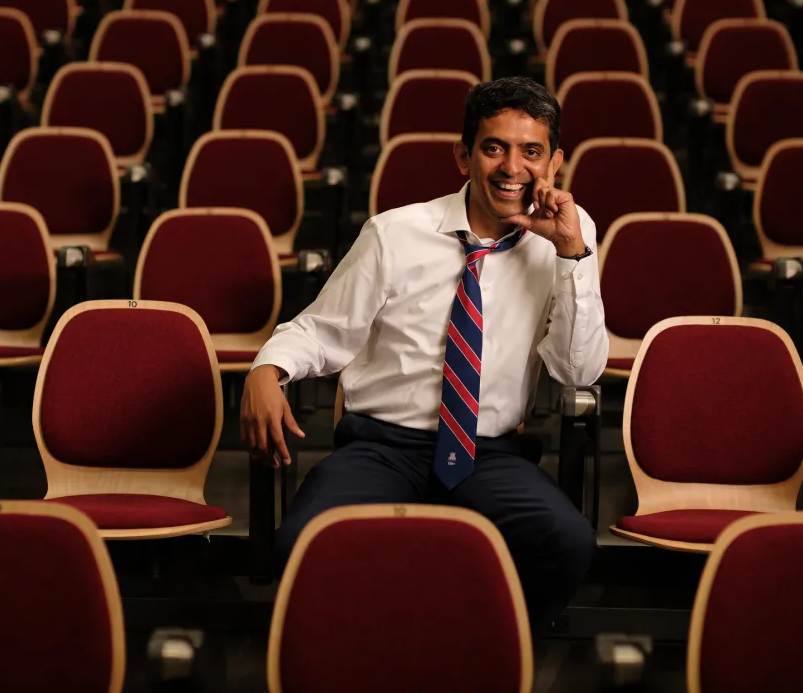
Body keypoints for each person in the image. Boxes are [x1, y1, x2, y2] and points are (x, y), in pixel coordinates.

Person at [240, 76, 608, 630]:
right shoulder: (395, 233)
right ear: (463, 156)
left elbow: (578, 370)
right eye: (494, 147)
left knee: (566, 540)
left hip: (491, 454)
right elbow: (321, 329)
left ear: (554, 163)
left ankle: (480, 655)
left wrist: (571, 254)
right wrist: (266, 370)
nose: (512, 167)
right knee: (305, 541)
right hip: (383, 447)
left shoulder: (569, 239)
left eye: (530, 151)